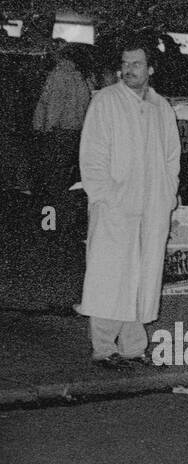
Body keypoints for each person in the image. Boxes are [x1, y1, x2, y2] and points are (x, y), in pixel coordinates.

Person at [76, 37, 180, 369]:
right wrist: (105, 196)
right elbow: (91, 157)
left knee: (142, 274)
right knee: (110, 275)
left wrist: (166, 196)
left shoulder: (161, 107)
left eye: (136, 64)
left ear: (150, 68)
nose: (128, 70)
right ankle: (104, 347)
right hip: (115, 207)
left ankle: (134, 346)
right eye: (124, 63)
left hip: (151, 207)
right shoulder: (105, 102)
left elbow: (171, 159)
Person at [32, 43, 91, 201]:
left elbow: (54, 105)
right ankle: (59, 208)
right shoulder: (80, 77)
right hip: (75, 133)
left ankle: (49, 212)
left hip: (57, 132)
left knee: (52, 175)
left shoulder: (59, 74)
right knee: (65, 174)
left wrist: (46, 129)